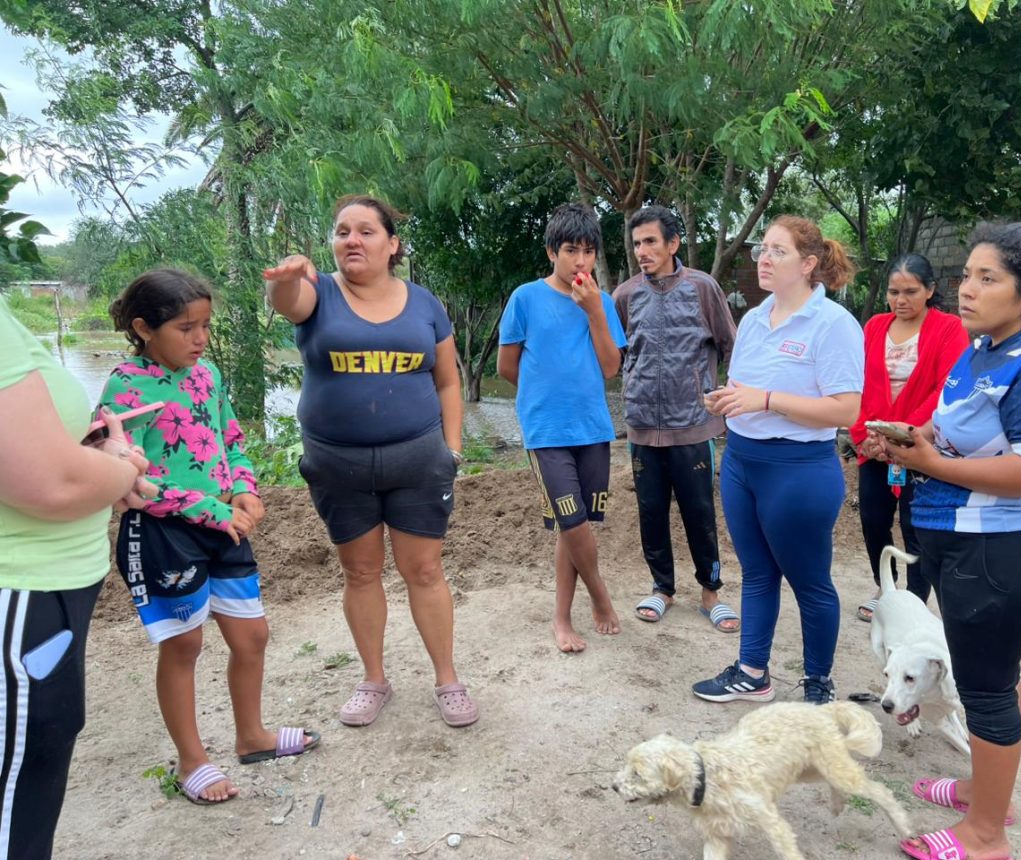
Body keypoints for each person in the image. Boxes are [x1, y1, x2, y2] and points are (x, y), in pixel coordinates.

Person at [871, 208, 1021, 860]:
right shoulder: (986, 350)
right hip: (966, 540)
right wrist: (915, 441)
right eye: (966, 275)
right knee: (988, 673)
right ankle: (984, 792)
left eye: (987, 278)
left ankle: (986, 835)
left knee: (986, 687)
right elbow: (962, 432)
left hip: (1006, 548)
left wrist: (931, 463)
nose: (966, 289)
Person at [99, 268, 321, 806]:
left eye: (205, 326)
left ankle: (253, 736)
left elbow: (230, 440)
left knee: (252, 636)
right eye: (185, 328)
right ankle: (191, 760)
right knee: (184, 643)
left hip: (225, 523)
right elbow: (126, 480)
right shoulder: (124, 388)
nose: (200, 339)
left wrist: (245, 489)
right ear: (143, 328)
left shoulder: (208, 375)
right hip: (163, 532)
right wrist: (206, 507)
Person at [264, 195, 477, 729]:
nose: (351, 240)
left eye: (365, 231)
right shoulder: (318, 294)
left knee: (424, 570)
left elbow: (448, 380)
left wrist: (453, 449)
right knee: (360, 572)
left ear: (392, 243)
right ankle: (373, 679)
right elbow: (285, 303)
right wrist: (287, 277)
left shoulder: (426, 304)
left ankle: (447, 679)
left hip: (419, 462)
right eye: (341, 232)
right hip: (339, 466)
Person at [0, 296, 154, 857]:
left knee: (38, 760)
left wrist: (92, 459)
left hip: (42, 594)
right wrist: (121, 467)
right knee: (19, 789)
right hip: (22, 593)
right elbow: (52, 484)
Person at [692, 215, 863, 706]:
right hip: (743, 462)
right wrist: (728, 400)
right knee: (758, 572)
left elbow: (845, 409)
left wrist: (765, 400)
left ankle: (818, 686)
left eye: (777, 251)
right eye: (761, 250)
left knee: (810, 581)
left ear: (809, 265)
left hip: (799, 470)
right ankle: (752, 672)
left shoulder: (833, 325)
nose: (763, 259)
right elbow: (749, 390)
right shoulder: (752, 319)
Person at [497, 202, 627, 653]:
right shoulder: (525, 298)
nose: (581, 261)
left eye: (589, 251)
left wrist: (593, 312)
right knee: (571, 520)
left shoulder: (603, 302)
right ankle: (600, 597)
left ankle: (560, 617)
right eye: (571, 250)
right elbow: (508, 367)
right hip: (546, 432)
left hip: (593, 428)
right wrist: (544, 397)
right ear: (552, 251)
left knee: (576, 525)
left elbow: (611, 368)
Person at [612, 206, 739, 630]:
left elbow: (729, 344)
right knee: (650, 510)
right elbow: (618, 357)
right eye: (636, 243)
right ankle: (662, 587)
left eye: (650, 241)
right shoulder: (625, 296)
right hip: (643, 424)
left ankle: (711, 592)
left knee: (700, 511)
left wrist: (722, 398)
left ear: (672, 244)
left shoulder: (703, 288)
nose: (642, 251)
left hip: (694, 425)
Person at [850, 254, 968, 621]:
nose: (901, 300)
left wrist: (904, 436)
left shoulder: (949, 328)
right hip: (875, 446)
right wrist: (866, 438)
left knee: (915, 525)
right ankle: (886, 590)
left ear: (930, 290)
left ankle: (915, 599)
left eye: (911, 292)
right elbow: (859, 388)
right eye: (893, 292)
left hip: (922, 445)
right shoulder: (873, 327)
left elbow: (946, 389)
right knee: (872, 520)